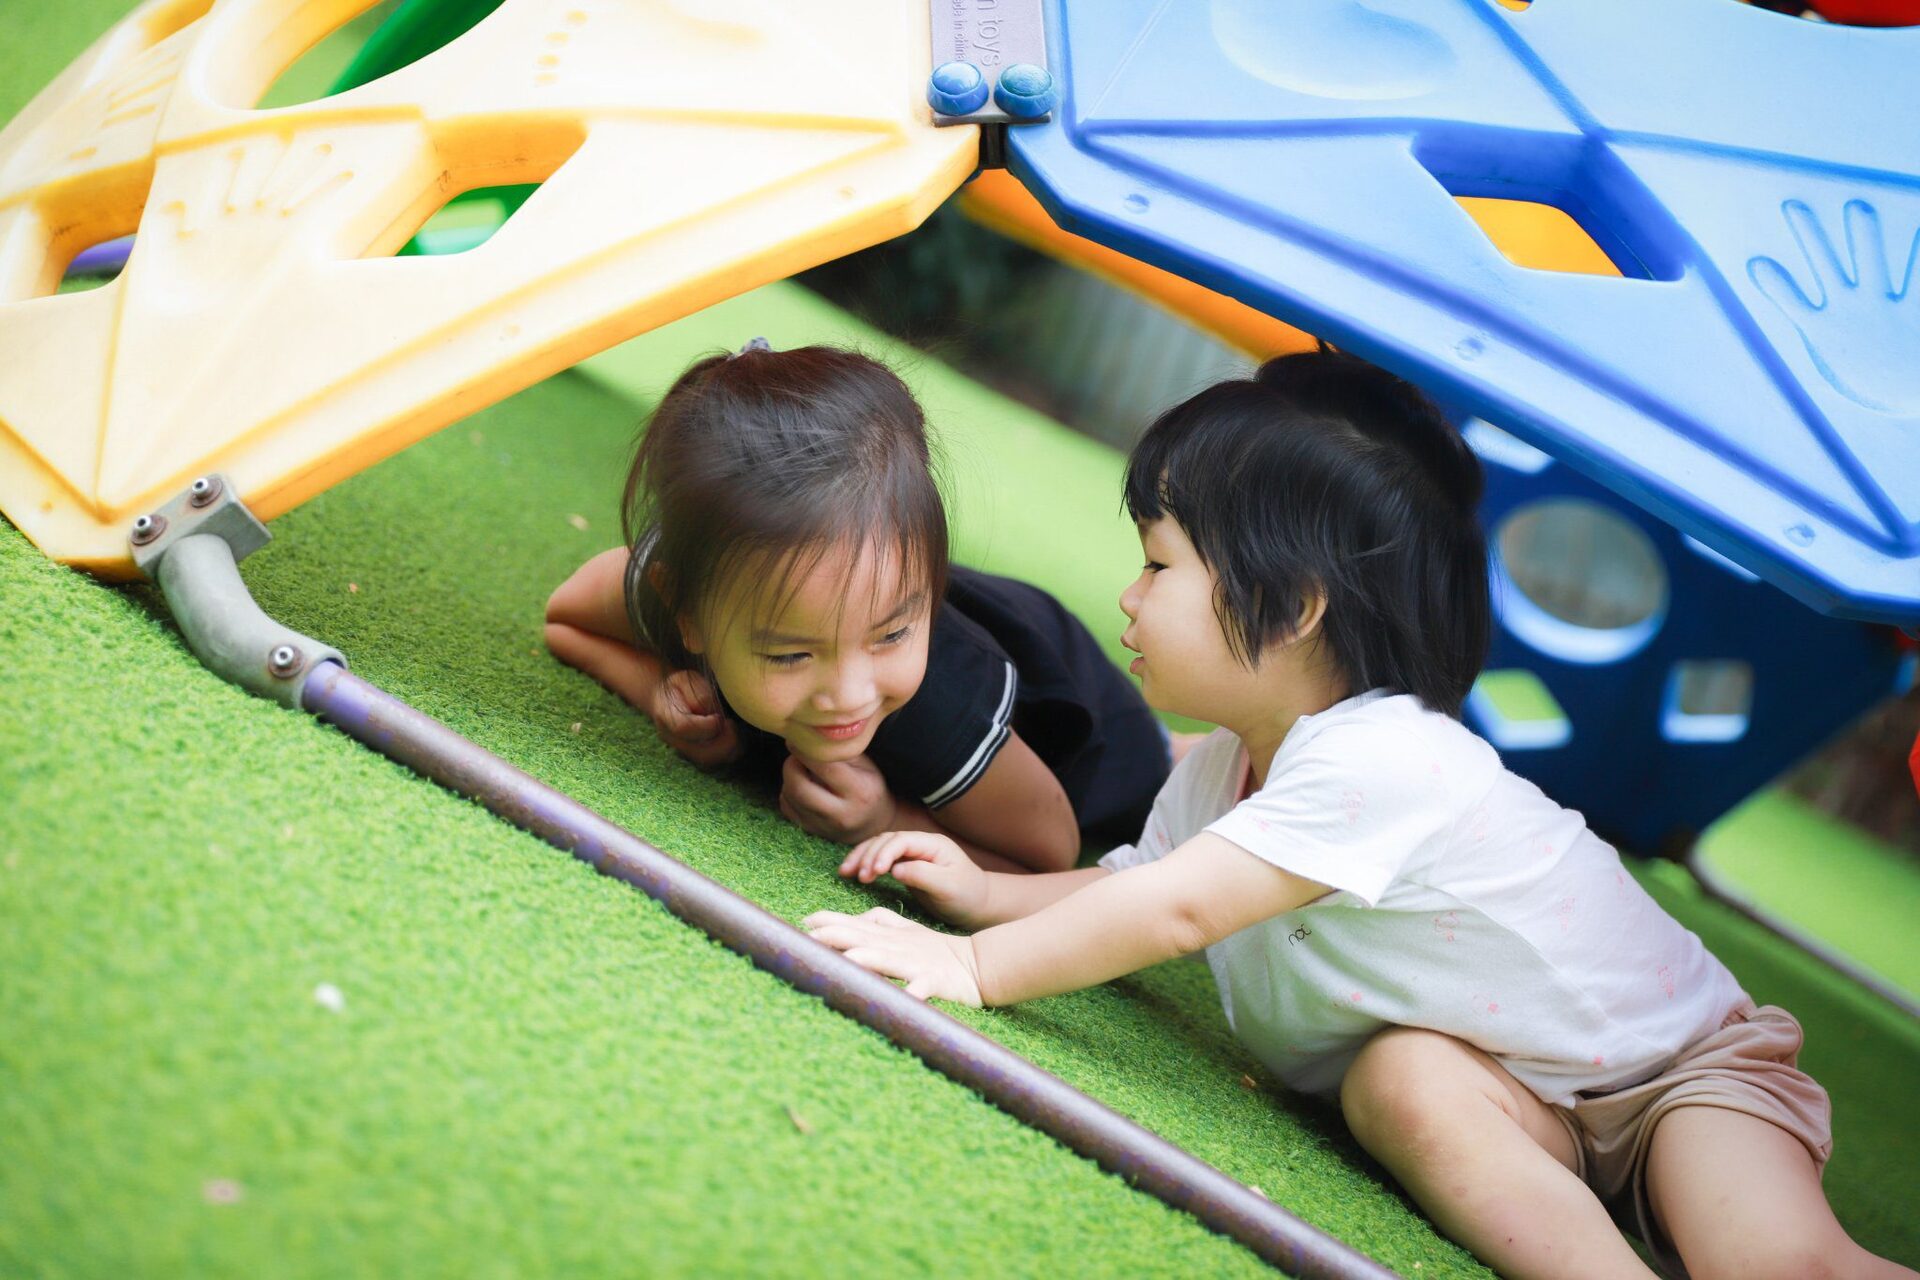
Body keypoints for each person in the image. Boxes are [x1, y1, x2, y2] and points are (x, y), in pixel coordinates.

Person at [805, 350, 1913, 1280]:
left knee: (1770, 1264)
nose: (1130, 596)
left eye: (1158, 563)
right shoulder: (1231, 766)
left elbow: (1180, 911)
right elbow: (1135, 882)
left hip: (1678, 1074)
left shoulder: (1382, 756)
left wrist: (976, 966)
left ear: (1292, 605)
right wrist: (985, 890)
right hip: (1513, 1082)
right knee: (1400, 1082)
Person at [544, 341, 1170, 874]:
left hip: (1086, 721)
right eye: (790, 654)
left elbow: (1048, 854)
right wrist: (664, 695)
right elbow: (566, 622)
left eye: (891, 635)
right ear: (685, 612)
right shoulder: (691, 575)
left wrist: (886, 820)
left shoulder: (942, 705)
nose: (849, 694)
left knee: (1171, 782)